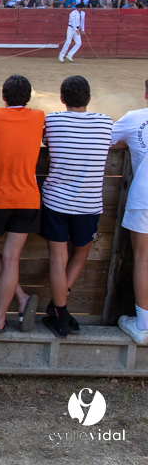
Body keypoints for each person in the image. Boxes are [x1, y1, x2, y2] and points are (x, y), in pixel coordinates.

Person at [36, 75, 112, 337]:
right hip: (89, 204)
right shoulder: (105, 122)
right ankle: (60, 309)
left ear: (61, 98)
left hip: (56, 201)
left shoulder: (53, 120)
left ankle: (59, 310)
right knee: (80, 254)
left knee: (58, 258)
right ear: (89, 99)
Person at [0, 75, 45, 333]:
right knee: (11, 258)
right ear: (28, 98)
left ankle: (14, 305)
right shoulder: (39, 116)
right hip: (28, 199)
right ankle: (4, 314)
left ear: (3, 96)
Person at [113, 82, 148, 344]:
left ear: (146, 93)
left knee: (143, 259)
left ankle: (143, 325)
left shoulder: (135, 118)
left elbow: (106, 141)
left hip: (144, 197)